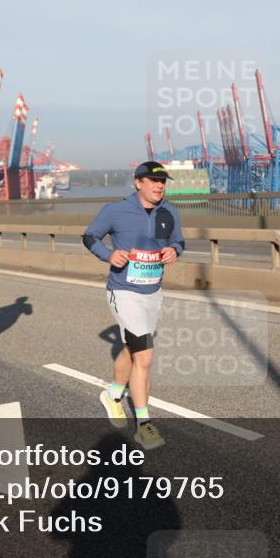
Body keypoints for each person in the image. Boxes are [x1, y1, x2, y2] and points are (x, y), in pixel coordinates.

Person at [82, 161, 184, 450]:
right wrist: (108, 255)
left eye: (163, 181)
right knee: (147, 357)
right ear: (137, 182)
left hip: (153, 292)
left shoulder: (170, 211)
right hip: (124, 292)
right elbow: (90, 236)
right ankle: (144, 424)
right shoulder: (116, 210)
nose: (159, 185)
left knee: (134, 348)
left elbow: (179, 241)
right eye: (153, 180)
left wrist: (173, 251)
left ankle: (113, 394)